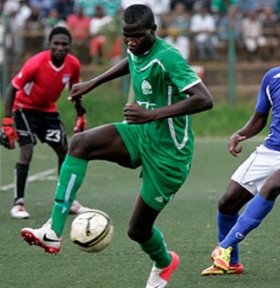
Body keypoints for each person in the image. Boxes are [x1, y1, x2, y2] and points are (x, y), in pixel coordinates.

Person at [20, 5, 213, 287]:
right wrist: (93, 83)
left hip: (170, 155)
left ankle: (164, 263)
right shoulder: (136, 48)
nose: (131, 42)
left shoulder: (169, 58)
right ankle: (53, 230)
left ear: (153, 31)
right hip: (142, 133)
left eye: (137, 36)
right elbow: (131, 60)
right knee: (81, 143)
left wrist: (151, 114)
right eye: (127, 37)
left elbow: (204, 99)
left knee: (137, 230)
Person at [0, 26, 90, 219]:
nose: (60, 47)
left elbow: (74, 90)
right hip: (24, 109)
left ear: (69, 47)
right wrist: (7, 122)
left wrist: (80, 113)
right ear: (49, 45)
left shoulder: (73, 64)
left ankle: (67, 200)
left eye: (64, 44)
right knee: (27, 150)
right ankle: (19, 203)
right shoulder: (35, 63)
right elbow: (11, 90)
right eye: (55, 43)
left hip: (48, 111)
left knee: (65, 151)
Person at [201, 65, 280, 276]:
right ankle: (231, 263)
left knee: (273, 185)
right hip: (271, 150)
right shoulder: (272, 77)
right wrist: (241, 133)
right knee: (228, 202)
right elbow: (260, 117)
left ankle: (224, 246)